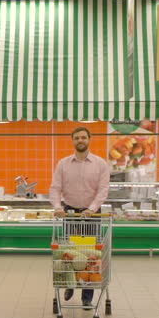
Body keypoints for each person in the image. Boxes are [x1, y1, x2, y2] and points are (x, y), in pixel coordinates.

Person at [49, 127, 111, 308]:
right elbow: (55, 188)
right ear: (72, 141)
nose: (80, 140)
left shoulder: (100, 164)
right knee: (69, 252)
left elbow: (103, 190)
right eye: (77, 138)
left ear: (90, 139)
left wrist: (91, 209)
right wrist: (57, 206)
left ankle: (87, 295)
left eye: (83, 137)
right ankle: (69, 284)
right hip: (69, 212)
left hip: (92, 214)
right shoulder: (63, 164)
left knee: (90, 255)